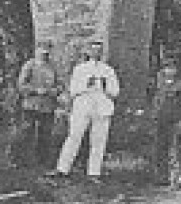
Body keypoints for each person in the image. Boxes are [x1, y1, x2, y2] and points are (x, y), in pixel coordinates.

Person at [52, 40, 120, 180]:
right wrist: (85, 85)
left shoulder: (108, 70)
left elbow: (115, 91)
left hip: (102, 106)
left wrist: (104, 86)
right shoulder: (80, 69)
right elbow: (73, 90)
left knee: (98, 140)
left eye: (99, 50)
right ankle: (63, 169)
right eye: (93, 50)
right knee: (74, 136)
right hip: (83, 105)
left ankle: (94, 172)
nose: (96, 53)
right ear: (88, 52)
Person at [15, 41, 63, 167]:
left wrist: (53, 91)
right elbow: (21, 85)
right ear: (36, 51)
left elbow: (60, 85)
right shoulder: (29, 66)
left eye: (47, 51)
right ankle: (24, 162)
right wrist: (35, 90)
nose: (44, 53)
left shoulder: (52, 67)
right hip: (31, 105)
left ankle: (43, 162)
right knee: (27, 133)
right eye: (42, 50)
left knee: (45, 134)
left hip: (47, 106)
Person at [148, 57, 181, 189]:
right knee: (159, 148)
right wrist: (153, 116)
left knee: (174, 149)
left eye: (172, 68)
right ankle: (160, 177)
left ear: (176, 70)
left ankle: (175, 178)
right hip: (160, 120)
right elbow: (155, 102)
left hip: (174, 121)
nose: (169, 71)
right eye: (166, 68)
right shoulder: (159, 85)